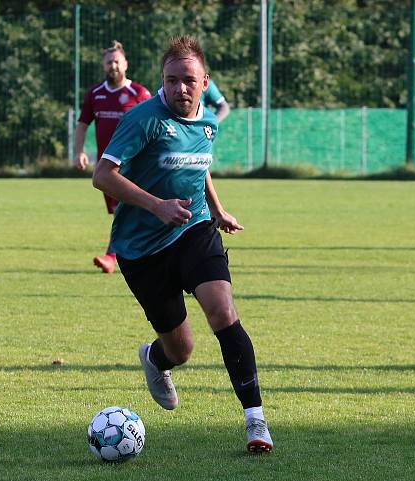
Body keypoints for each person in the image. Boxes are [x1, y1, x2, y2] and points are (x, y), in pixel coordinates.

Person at [92, 36, 273, 453]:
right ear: (162, 80)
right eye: (171, 80)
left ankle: (256, 422)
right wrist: (156, 206)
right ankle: (156, 360)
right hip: (141, 248)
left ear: (204, 81)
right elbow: (102, 175)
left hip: (194, 230)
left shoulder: (207, 119)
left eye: (189, 81)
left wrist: (218, 208)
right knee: (181, 349)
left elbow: (199, 165)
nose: (180, 89)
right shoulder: (143, 119)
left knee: (223, 311)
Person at [74, 40, 151, 274]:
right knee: (125, 211)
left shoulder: (139, 93)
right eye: (109, 63)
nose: (113, 66)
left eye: (117, 62)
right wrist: (79, 151)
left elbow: (152, 125)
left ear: (125, 64)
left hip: (135, 163)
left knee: (125, 209)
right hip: (107, 165)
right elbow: (83, 124)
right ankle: (139, 252)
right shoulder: (95, 94)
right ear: (103, 66)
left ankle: (111, 256)